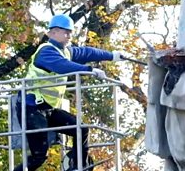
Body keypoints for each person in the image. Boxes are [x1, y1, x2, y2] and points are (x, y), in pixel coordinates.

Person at [14, 14, 122, 171]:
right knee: (39, 157)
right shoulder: (46, 52)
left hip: (47, 109)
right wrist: (90, 70)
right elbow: (62, 66)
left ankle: (77, 166)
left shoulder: (65, 51)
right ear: (53, 32)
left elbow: (87, 52)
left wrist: (112, 56)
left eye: (70, 32)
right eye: (66, 32)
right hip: (32, 109)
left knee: (81, 128)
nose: (69, 36)